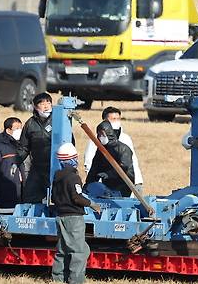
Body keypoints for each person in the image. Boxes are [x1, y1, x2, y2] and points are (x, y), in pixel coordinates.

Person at [51, 142, 100, 284]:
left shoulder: (57, 177)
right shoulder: (73, 178)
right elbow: (77, 197)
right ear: (73, 159)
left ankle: (58, 279)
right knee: (79, 252)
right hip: (74, 218)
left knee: (62, 249)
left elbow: (54, 198)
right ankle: (76, 280)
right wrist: (92, 204)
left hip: (60, 217)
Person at [84, 106, 143, 194]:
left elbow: (128, 165)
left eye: (118, 119)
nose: (116, 121)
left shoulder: (125, 141)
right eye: (113, 119)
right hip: (104, 187)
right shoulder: (97, 143)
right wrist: (89, 184)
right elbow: (92, 165)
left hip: (125, 184)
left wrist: (138, 182)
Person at [18, 92, 59, 203]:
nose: (46, 106)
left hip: (55, 167)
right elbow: (24, 147)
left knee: (58, 197)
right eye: (42, 103)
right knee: (30, 196)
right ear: (35, 107)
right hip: (37, 167)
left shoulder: (59, 121)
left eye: (48, 103)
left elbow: (69, 143)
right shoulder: (30, 124)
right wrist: (15, 161)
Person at [85, 120, 135, 197]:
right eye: (98, 134)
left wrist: (109, 174)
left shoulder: (123, 149)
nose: (100, 137)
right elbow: (95, 168)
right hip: (107, 185)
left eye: (102, 134)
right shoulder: (101, 150)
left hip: (124, 184)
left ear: (109, 133)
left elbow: (124, 167)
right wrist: (88, 184)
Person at [0, 117, 25, 208]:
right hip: (5, 194)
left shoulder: (21, 146)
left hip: (20, 194)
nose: (19, 131)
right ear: (8, 130)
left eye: (20, 128)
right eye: (16, 129)